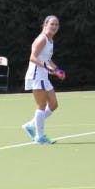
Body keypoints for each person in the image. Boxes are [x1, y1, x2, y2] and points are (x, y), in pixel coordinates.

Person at [21, 15, 63, 144]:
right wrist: (46, 67)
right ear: (45, 25)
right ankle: (40, 137)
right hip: (36, 76)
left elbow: (47, 59)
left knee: (54, 104)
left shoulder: (50, 41)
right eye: (52, 24)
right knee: (41, 105)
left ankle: (30, 125)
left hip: (44, 75)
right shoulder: (42, 39)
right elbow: (32, 57)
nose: (54, 27)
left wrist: (56, 70)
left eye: (56, 24)